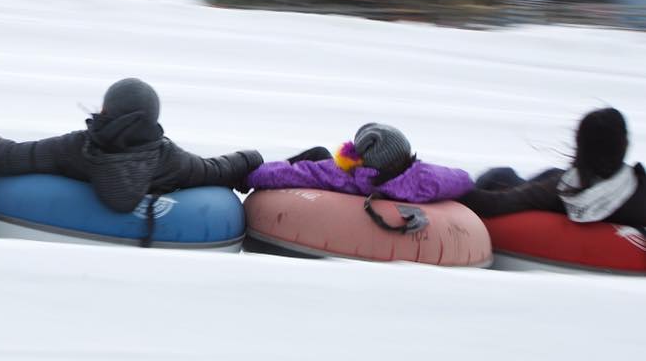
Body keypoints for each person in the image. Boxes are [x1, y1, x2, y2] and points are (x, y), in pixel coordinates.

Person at [0, 77, 263, 212]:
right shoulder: (169, 159)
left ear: (107, 111)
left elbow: (11, 156)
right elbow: (214, 170)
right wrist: (250, 159)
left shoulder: (77, 148)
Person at [460, 107, 646, 229]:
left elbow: (495, 204)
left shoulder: (563, 190)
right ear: (624, 145)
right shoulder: (638, 191)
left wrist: (454, 188)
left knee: (499, 175)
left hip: (522, 193)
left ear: (581, 146)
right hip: (561, 180)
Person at [246, 122, 473, 203]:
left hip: (348, 191)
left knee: (317, 154)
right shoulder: (424, 178)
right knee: (320, 153)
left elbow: (296, 174)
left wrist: (250, 174)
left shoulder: (345, 176)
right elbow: (462, 179)